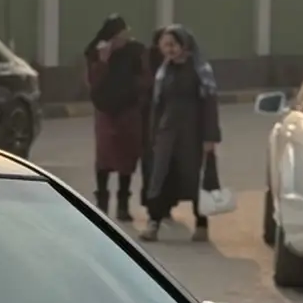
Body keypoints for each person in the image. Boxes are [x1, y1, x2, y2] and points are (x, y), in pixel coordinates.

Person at [142, 26, 221, 243]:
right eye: (165, 45)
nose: (169, 49)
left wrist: (210, 137)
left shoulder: (200, 69)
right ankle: (153, 222)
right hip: (167, 134)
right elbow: (157, 105)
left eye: (172, 44)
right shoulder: (163, 71)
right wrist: (154, 135)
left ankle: (202, 224)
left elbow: (210, 104)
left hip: (192, 134)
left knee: (195, 178)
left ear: (183, 45)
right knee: (159, 176)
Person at [84, 15, 150, 221]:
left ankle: (123, 204)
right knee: (104, 158)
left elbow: (146, 78)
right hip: (106, 112)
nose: (123, 39)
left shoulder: (136, 51)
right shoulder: (95, 53)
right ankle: (101, 202)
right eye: (119, 36)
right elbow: (92, 83)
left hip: (129, 112)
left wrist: (132, 89)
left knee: (127, 158)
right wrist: (103, 61)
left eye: (125, 34)